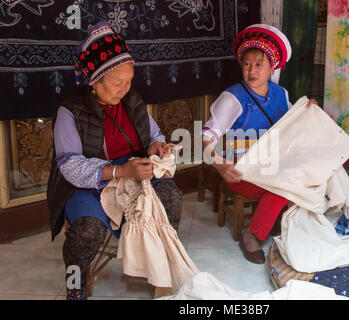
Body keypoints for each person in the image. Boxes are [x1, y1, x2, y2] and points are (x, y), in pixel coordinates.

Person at [47, 22, 182, 300]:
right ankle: (76, 283)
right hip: (89, 182)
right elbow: (69, 165)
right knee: (86, 230)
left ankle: (161, 266)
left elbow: (152, 133)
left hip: (133, 171)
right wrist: (118, 171)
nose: (125, 88)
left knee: (169, 195)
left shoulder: (132, 100)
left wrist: (156, 145)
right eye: (117, 83)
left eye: (129, 80)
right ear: (95, 81)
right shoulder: (69, 111)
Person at [201, 24, 315, 264]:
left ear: (272, 67)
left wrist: (309, 111)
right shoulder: (232, 97)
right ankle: (252, 235)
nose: (251, 70)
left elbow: (295, 124)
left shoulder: (280, 94)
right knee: (283, 186)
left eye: (259, 64)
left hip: (273, 163)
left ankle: (285, 228)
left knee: (307, 176)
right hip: (240, 169)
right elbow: (206, 137)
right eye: (247, 64)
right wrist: (217, 161)